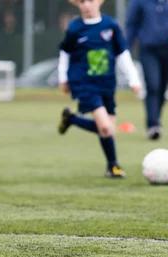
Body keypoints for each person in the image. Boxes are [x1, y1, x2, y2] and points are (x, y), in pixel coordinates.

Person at [57, 0, 142, 179]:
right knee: (105, 127)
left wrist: (133, 79)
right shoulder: (75, 28)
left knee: (109, 130)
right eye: (81, 2)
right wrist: (63, 78)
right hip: (84, 84)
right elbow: (65, 53)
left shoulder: (110, 25)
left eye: (90, 1)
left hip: (107, 84)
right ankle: (113, 166)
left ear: (99, 2)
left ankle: (72, 119)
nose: (86, 5)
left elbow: (123, 54)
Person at [126, 0, 168, 140]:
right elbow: (131, 25)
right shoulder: (138, 2)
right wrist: (126, 50)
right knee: (153, 86)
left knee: (162, 88)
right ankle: (153, 125)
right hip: (147, 49)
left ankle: (156, 120)